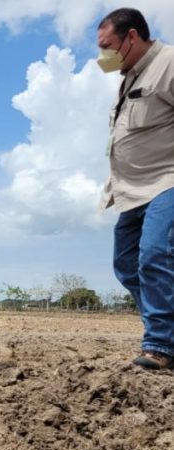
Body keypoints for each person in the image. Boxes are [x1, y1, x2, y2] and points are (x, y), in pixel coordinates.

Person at [97, 8, 174, 370]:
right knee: (126, 263)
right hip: (130, 191)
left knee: (154, 255)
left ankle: (161, 343)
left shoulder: (169, 63)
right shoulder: (128, 79)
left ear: (132, 37)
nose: (103, 56)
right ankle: (167, 330)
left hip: (166, 182)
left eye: (107, 46)